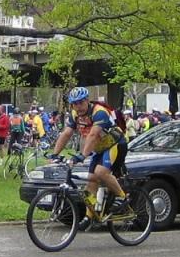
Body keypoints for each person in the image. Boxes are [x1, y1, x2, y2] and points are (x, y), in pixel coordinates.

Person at [49, 86, 129, 219]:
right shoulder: (75, 114)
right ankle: (89, 217)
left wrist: (82, 155)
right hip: (100, 148)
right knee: (91, 182)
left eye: (81, 102)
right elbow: (66, 134)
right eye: (74, 104)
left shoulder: (99, 112)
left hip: (116, 144)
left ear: (87, 100)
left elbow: (93, 135)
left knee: (100, 172)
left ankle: (122, 197)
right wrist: (55, 154)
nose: (78, 107)